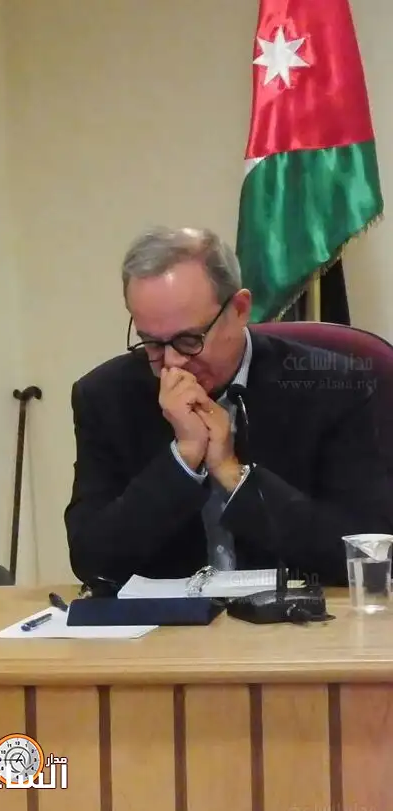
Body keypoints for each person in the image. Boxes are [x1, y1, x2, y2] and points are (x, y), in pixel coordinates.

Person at [65, 226, 393, 589]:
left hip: (296, 618)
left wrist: (231, 473)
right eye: (152, 343)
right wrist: (182, 459)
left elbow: (366, 552)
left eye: (189, 339)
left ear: (239, 310)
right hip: (168, 622)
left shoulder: (332, 387)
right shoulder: (105, 397)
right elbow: (92, 560)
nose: (172, 362)